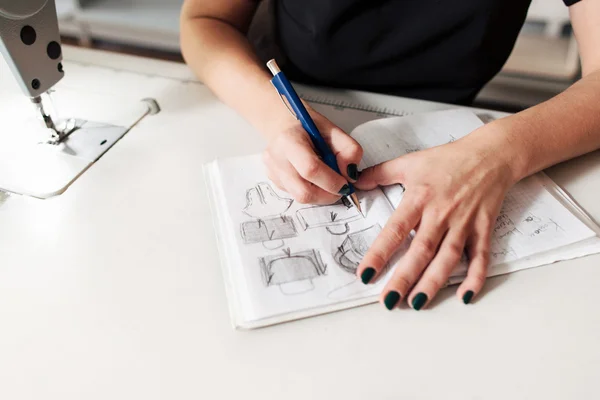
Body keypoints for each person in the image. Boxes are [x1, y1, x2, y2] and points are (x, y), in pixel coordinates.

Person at [180, 0, 600, 311]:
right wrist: (279, 117)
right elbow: (205, 21)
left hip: (456, 120)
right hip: (292, 101)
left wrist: (497, 151)